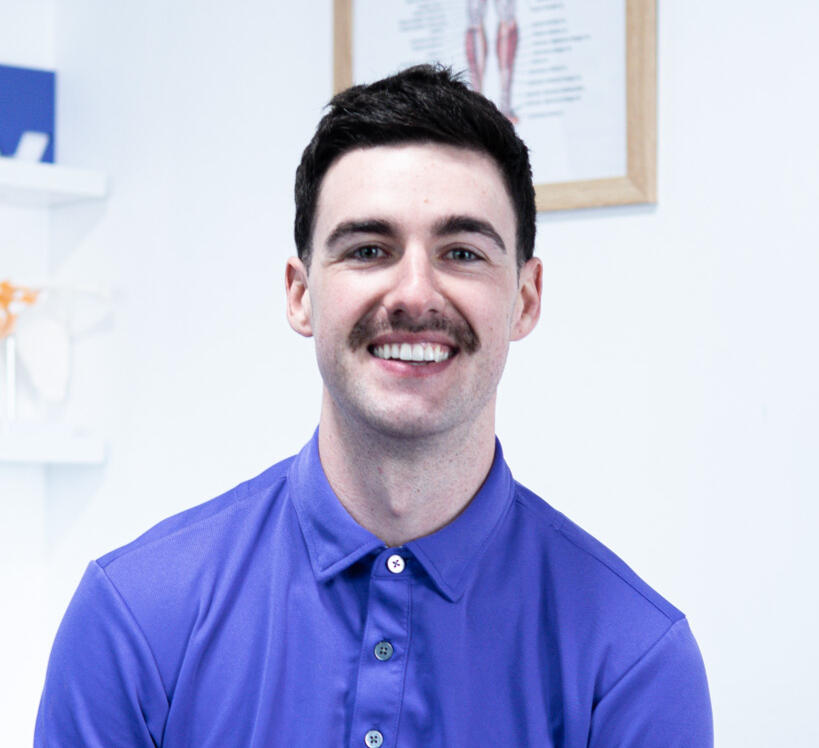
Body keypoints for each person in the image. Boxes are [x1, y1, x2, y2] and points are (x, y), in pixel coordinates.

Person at [35, 65, 712, 746]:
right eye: (368, 249)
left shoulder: (634, 662)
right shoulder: (134, 618)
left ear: (525, 299)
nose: (414, 293)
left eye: (461, 252)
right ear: (300, 294)